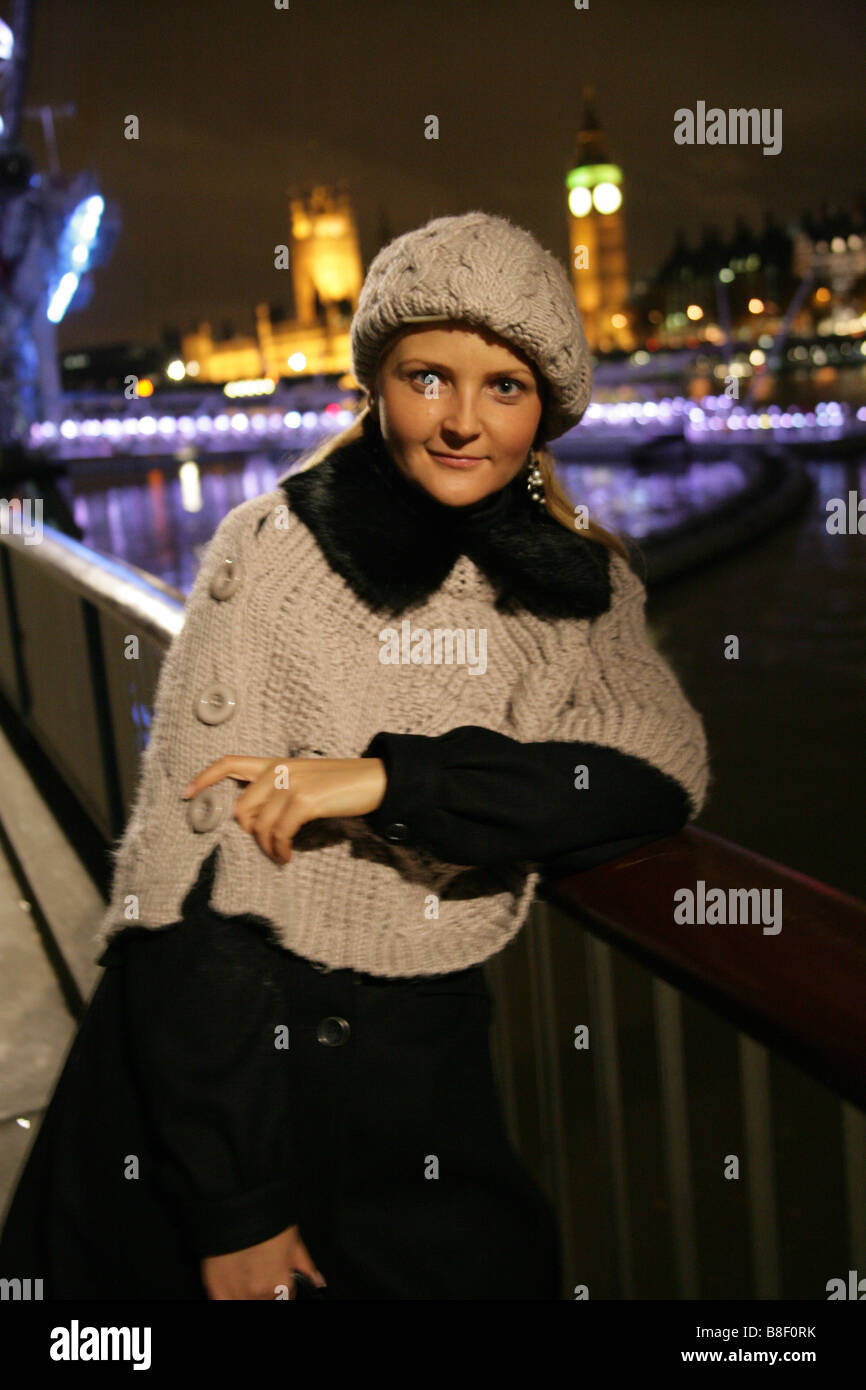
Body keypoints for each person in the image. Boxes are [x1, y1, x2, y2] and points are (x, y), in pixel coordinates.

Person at [0, 211, 710, 1300]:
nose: (463, 421)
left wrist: (391, 779)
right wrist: (234, 1207)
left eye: (504, 385)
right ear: (377, 384)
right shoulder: (272, 553)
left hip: (420, 1074)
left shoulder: (580, 585)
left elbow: (654, 770)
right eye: (428, 377)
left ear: (547, 407)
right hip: (230, 1077)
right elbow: (179, 901)